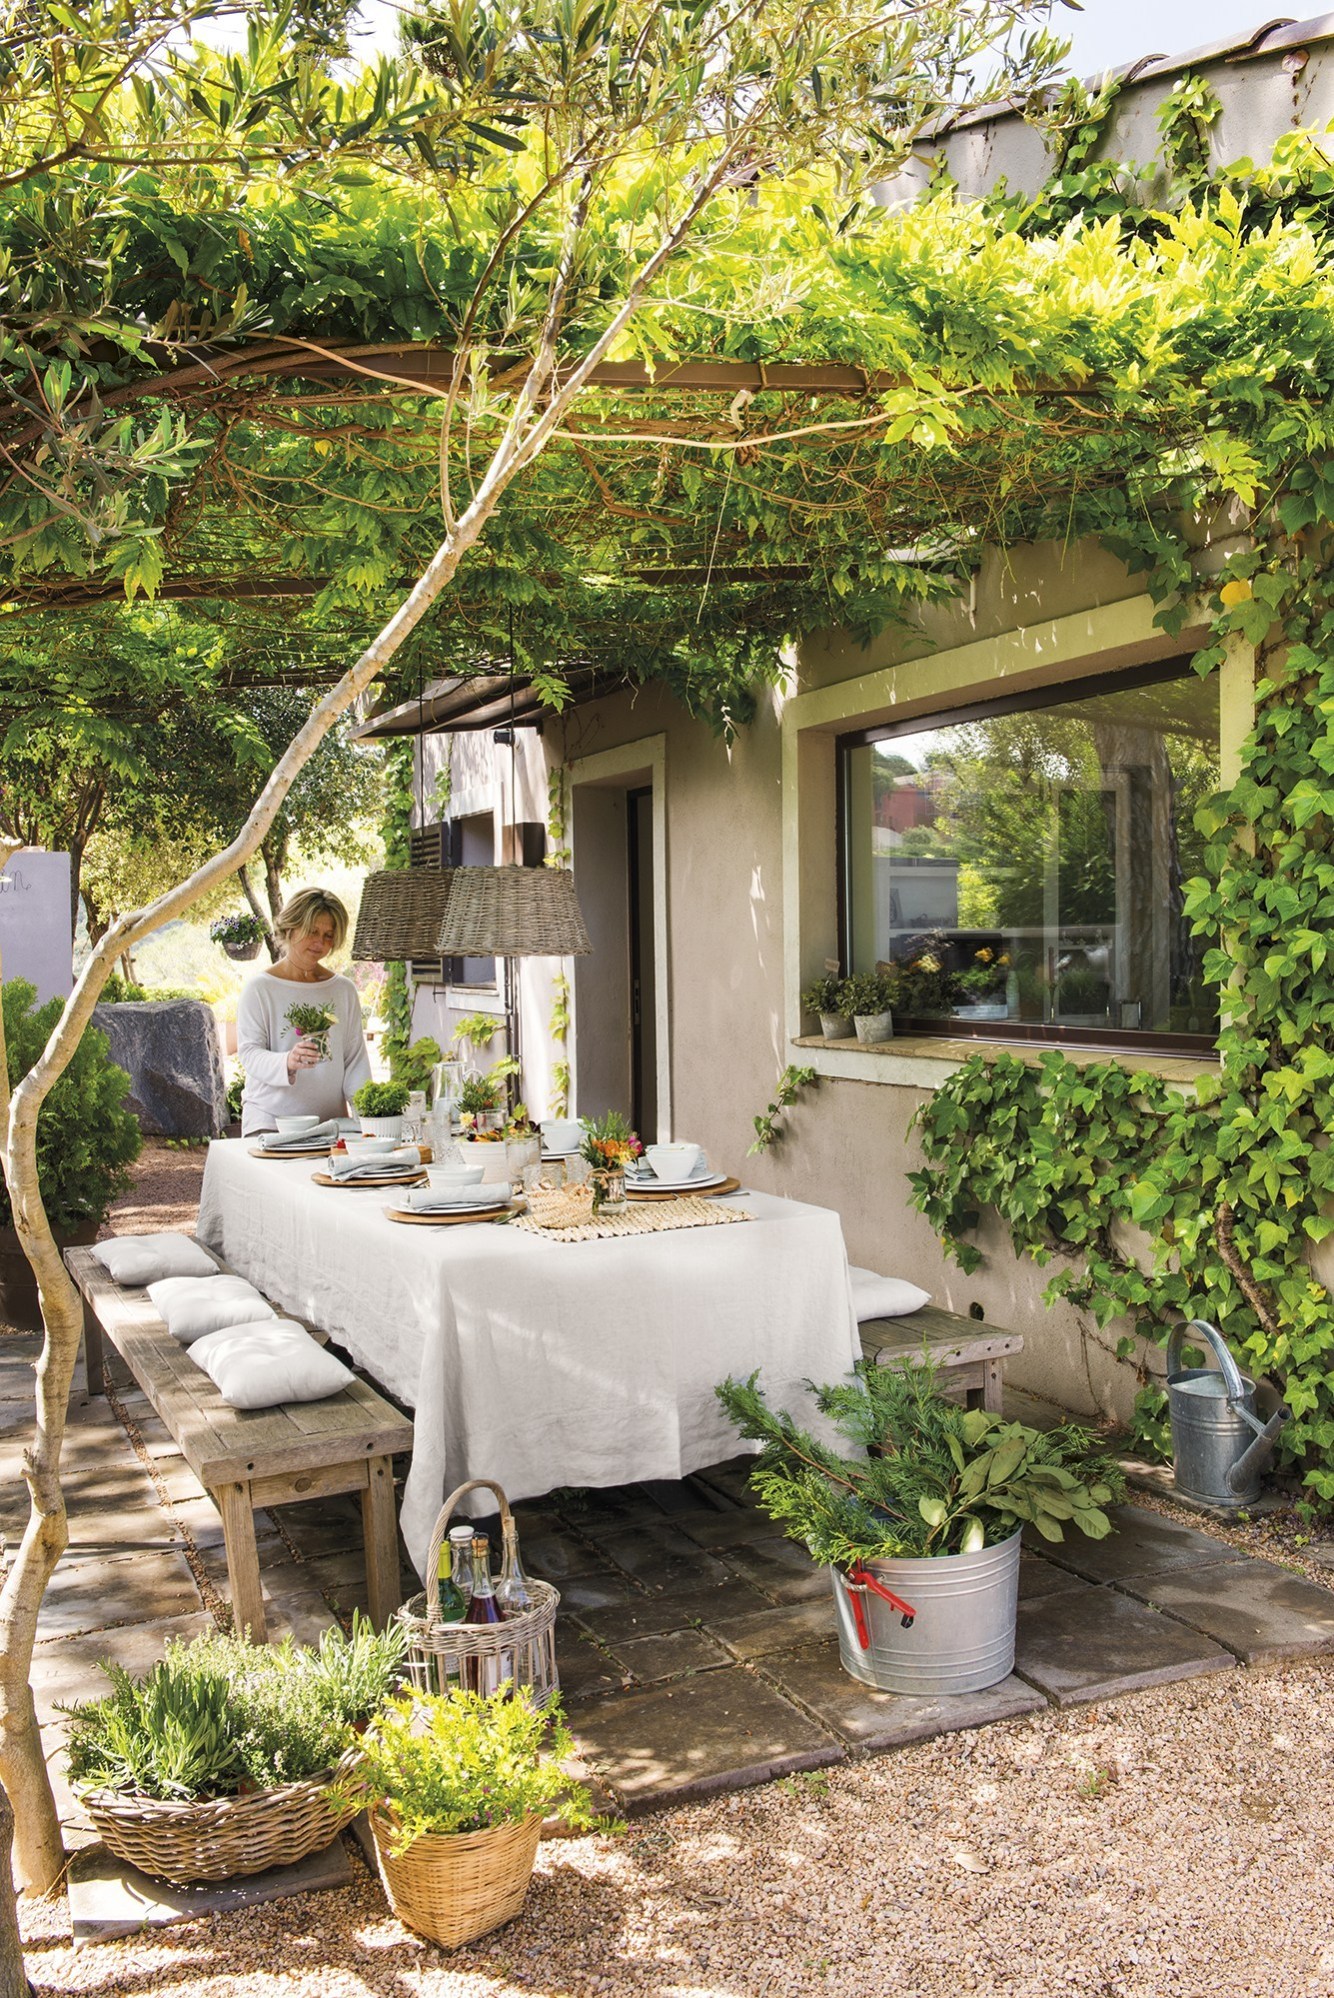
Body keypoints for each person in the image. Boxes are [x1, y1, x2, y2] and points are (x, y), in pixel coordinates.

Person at [236, 887, 372, 1137]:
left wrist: (368, 1117)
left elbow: (355, 1061)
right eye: (313, 932)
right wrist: (287, 1061)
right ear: (291, 928)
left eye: (329, 935)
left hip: (331, 1126)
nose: (320, 943)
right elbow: (249, 1053)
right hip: (270, 1124)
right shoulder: (260, 989)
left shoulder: (343, 990)